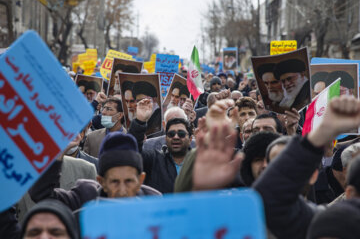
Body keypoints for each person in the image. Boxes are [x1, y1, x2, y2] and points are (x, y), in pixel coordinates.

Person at [191, 95, 360, 238]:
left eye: (277, 163)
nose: (267, 167)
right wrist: (201, 190)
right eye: (262, 160)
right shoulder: (236, 207)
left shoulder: (332, 219)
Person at [29, 132, 161, 212]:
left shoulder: (154, 203)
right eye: (114, 182)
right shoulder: (86, 197)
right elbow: (42, 195)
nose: (122, 190)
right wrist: (55, 154)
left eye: (129, 181)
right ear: (101, 181)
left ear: (141, 180)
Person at [130, 99, 193, 193]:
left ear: (190, 139)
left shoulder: (200, 162)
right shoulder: (154, 160)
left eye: (181, 134)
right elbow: (132, 153)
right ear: (166, 138)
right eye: (171, 134)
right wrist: (139, 122)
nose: (176, 137)